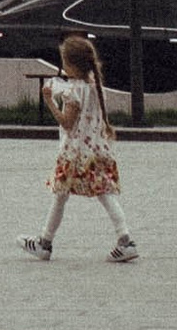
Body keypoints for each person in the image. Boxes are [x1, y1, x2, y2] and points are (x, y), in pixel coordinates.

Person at [20, 32, 136, 260]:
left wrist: (50, 102)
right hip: (97, 151)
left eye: (64, 63)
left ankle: (45, 242)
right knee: (105, 194)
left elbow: (67, 122)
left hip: (74, 154)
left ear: (72, 65)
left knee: (60, 195)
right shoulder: (94, 86)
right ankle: (125, 239)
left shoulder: (73, 91)